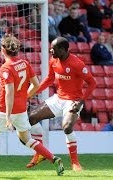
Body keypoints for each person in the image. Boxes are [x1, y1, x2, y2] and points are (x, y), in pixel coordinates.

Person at [0, 34, 64, 176]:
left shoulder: (6, 68)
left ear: (3, 50)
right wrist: (26, 96)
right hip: (21, 109)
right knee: (27, 139)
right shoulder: (25, 63)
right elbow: (36, 84)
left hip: (4, 111)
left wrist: (7, 116)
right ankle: (54, 158)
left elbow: (9, 93)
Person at [26, 37, 96, 172]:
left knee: (67, 127)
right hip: (58, 99)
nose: (51, 50)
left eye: (54, 48)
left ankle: (75, 163)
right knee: (32, 117)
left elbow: (92, 83)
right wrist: (32, 92)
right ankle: (40, 153)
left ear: (63, 50)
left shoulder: (77, 64)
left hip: (73, 101)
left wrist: (81, 102)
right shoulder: (53, 60)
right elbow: (49, 80)